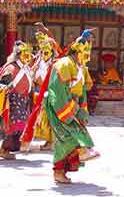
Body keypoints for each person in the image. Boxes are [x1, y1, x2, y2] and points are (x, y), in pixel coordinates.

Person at [45, 29, 99, 184]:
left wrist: (82, 109)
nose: (87, 57)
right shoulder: (63, 65)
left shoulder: (80, 67)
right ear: (78, 51)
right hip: (59, 104)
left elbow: (82, 90)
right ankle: (59, 171)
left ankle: (64, 169)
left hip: (72, 104)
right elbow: (56, 90)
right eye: (86, 53)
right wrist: (67, 108)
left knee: (70, 136)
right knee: (65, 138)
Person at [0, 41, 34, 159]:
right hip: (13, 102)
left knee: (19, 127)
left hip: (23, 101)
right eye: (25, 54)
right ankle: (4, 149)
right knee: (12, 127)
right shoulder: (11, 67)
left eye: (29, 54)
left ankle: (8, 148)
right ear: (18, 55)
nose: (28, 57)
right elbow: (3, 84)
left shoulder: (26, 68)